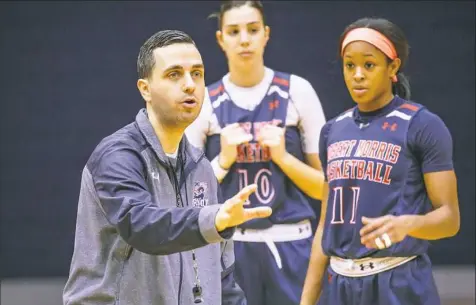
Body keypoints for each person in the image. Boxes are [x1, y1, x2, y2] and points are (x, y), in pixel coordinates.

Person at [62, 29, 273, 305]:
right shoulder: (117, 156)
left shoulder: (201, 167)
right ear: (145, 89)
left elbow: (223, 278)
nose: (189, 85)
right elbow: (142, 227)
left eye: (196, 73)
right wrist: (214, 220)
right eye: (175, 74)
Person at [300, 17, 460, 305]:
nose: (357, 74)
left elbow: (450, 219)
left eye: (369, 65)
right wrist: (307, 301)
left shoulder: (422, 125)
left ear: (393, 68)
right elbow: (325, 226)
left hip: (397, 281)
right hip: (340, 285)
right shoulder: (332, 130)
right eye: (350, 65)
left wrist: (407, 224)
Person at [185, 1, 327, 304]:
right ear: (221, 39)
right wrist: (222, 161)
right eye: (234, 31)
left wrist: (284, 159)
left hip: (291, 242)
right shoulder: (203, 102)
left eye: (252, 29)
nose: (244, 39)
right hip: (230, 246)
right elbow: (187, 196)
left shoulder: (298, 91)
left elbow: (328, 188)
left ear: (266, 34)